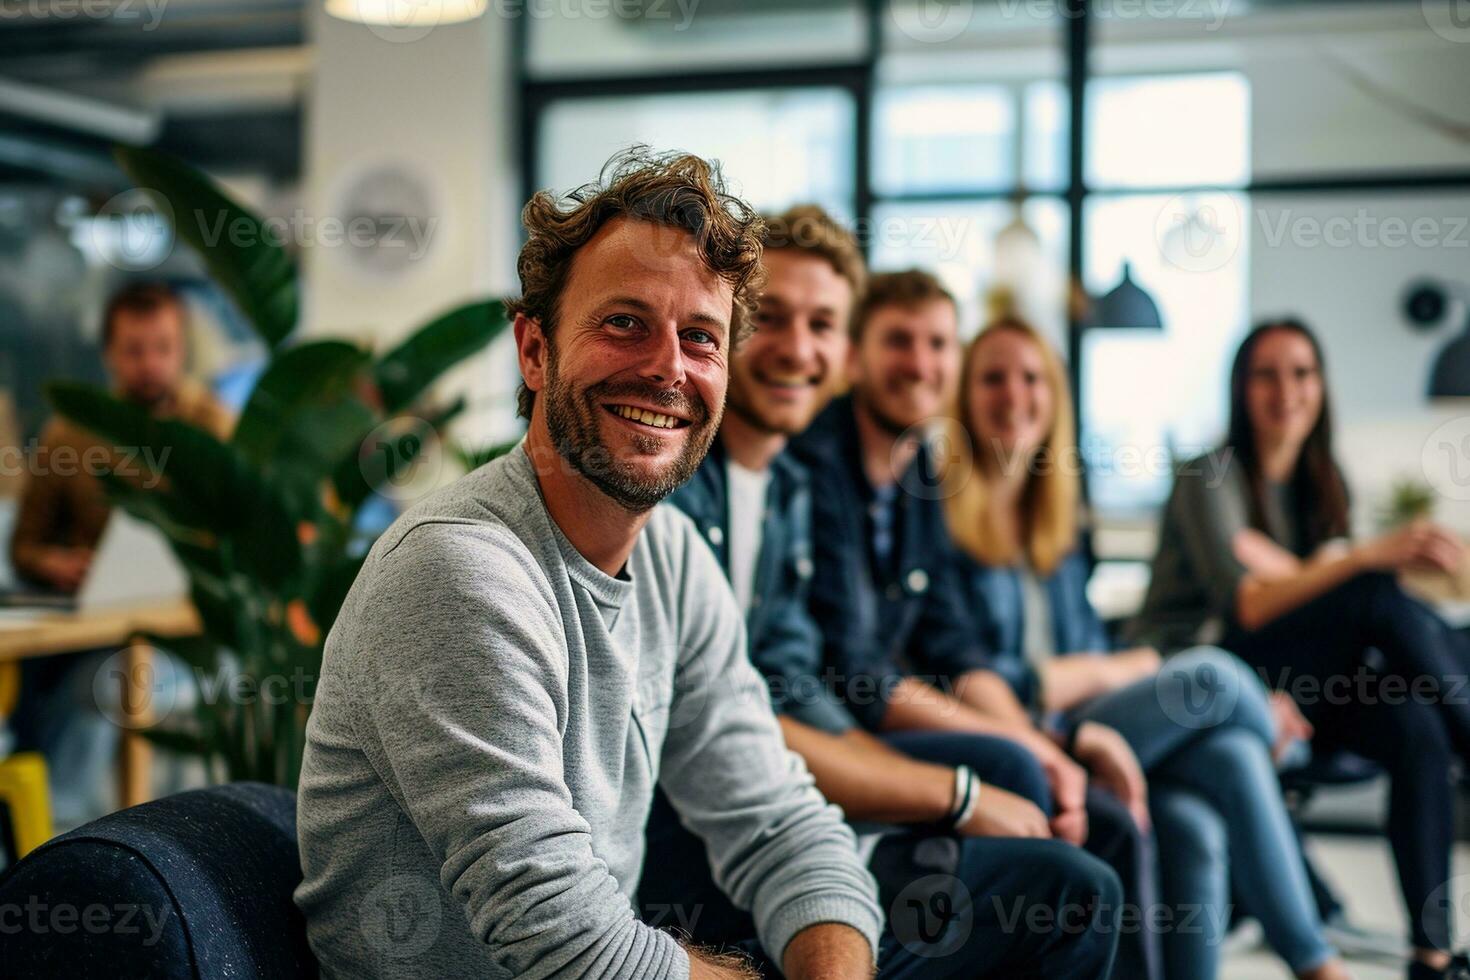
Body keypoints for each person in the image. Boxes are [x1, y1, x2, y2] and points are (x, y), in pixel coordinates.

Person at [646, 205, 1122, 977]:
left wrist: (1014, 755)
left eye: (822, 323)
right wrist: (956, 794)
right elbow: (736, 717)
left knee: (1078, 863)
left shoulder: (790, 487)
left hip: (794, 821)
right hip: (705, 862)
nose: (797, 348)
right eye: (770, 317)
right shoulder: (679, 485)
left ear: (840, 350)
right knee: (1067, 881)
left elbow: (812, 683)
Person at [939, 315, 1350, 980]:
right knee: (1213, 683)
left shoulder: (1059, 520)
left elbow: (1083, 646)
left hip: (1084, 712)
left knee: (1210, 793)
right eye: (993, 378)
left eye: (1031, 378)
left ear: (1055, 397)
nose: (1014, 394)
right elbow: (969, 671)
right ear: (964, 396)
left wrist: (1094, 670)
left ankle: (1317, 963)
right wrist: (1112, 669)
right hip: (1023, 727)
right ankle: (1318, 959)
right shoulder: (939, 514)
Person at [789, 268, 1160, 980]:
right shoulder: (818, 469)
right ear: (858, 354)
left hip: (900, 713)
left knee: (1103, 813)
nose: (920, 364)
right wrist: (1033, 746)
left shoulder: (917, 470)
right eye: (899, 341)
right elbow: (860, 676)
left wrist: (1053, 741)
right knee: (1033, 779)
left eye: (937, 343)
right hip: (842, 732)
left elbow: (953, 646)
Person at [1132, 317, 1470, 980]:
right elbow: (1250, 603)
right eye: (1267, 374)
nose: (1286, 390)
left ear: (1321, 386)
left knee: (1415, 725)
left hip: (1302, 674)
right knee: (1372, 590)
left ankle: (1432, 955)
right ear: (1241, 388)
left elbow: (1300, 595)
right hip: (1206, 671)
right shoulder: (1212, 474)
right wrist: (1347, 561)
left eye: (1302, 373)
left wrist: (1301, 565)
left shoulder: (1322, 481)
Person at [7, 281, 232, 825]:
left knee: (106, 687)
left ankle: (59, 831)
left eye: (162, 347)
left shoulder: (213, 428)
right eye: (134, 350)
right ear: (109, 355)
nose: (150, 363)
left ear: (182, 351)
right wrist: (53, 563)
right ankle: (38, 830)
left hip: (190, 639)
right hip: (89, 628)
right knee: (48, 691)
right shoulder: (70, 433)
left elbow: (246, 540)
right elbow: (24, 548)